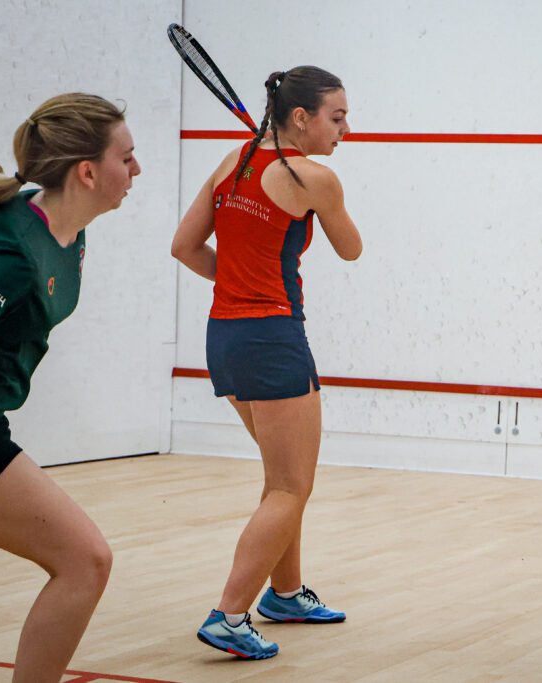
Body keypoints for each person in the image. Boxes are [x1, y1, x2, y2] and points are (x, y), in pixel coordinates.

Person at [0, 93, 141, 683]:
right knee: (85, 561)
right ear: (87, 172)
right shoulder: (13, 249)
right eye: (128, 157)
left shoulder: (56, 227)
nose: (135, 170)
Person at [171, 66, 361, 660]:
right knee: (290, 487)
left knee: (283, 480)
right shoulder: (315, 177)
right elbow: (351, 248)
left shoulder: (232, 162)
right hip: (274, 338)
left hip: (223, 337)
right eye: (337, 116)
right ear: (300, 117)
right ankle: (229, 615)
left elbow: (184, 247)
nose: (346, 130)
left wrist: (233, 277)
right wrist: (314, 193)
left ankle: (284, 594)